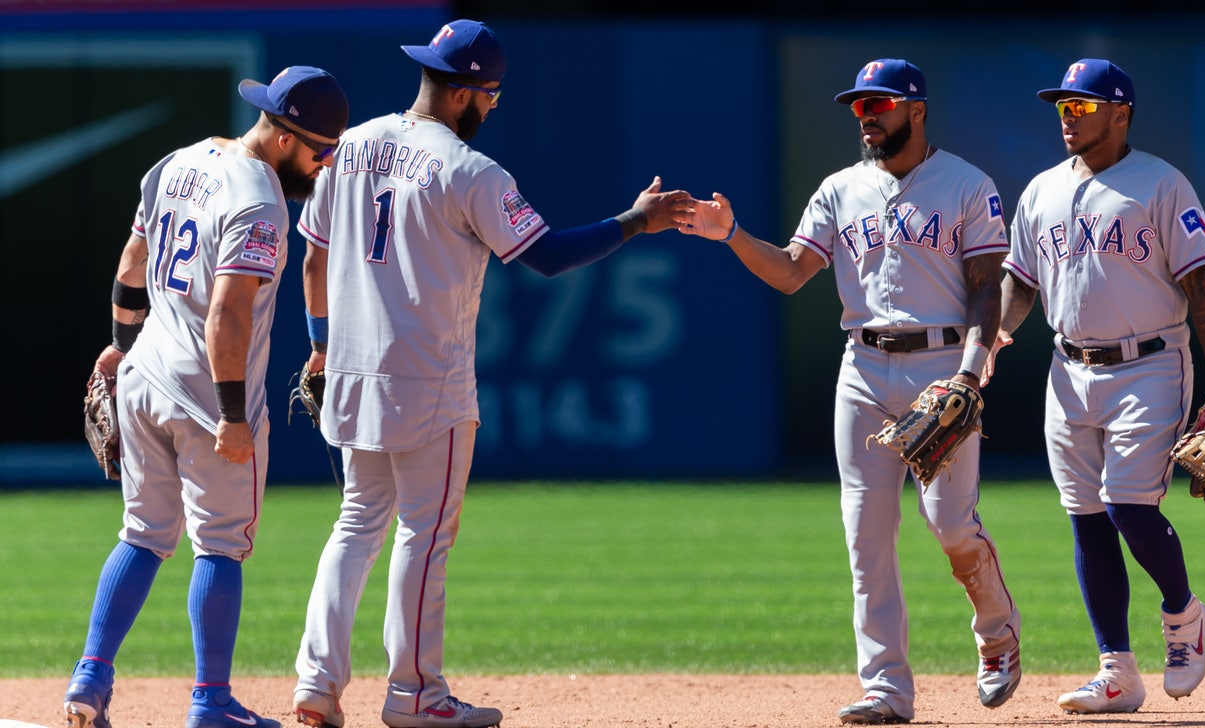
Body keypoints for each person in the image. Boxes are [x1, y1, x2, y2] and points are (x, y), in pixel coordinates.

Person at [289, 19, 691, 728]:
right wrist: (635, 221)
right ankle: (415, 695)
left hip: (350, 369)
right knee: (423, 533)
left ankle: (317, 686)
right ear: (467, 93)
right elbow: (545, 256)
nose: (492, 108)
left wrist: (319, 345)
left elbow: (314, 258)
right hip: (427, 379)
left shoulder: (347, 147)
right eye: (491, 96)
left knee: (356, 524)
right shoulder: (469, 169)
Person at [681, 58, 1020, 725]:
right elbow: (788, 272)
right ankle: (887, 690)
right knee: (866, 538)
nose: (865, 117)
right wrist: (732, 236)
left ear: (916, 110)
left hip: (944, 364)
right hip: (862, 371)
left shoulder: (966, 185)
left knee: (950, 525)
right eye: (858, 107)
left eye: (880, 105)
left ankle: (996, 629)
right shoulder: (839, 189)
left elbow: (987, 286)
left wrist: (974, 370)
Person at [63, 67, 349, 728]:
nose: (323, 164)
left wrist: (118, 344)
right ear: (283, 139)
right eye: (319, 151)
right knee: (220, 546)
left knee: (141, 535)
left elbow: (131, 265)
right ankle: (211, 702)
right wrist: (233, 416)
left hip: (143, 382)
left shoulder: (177, 161)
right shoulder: (261, 201)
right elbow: (227, 316)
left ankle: (90, 680)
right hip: (205, 399)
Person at [988, 58, 1205, 715]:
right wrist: (988, 345)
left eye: (1083, 107)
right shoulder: (1039, 191)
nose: (1069, 118)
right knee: (1085, 517)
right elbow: (1020, 286)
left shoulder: (1160, 183)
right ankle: (1116, 670)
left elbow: (1201, 287)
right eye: (1063, 107)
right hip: (1067, 370)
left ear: (1120, 112)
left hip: (1150, 363)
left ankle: (1183, 618)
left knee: (1126, 504)